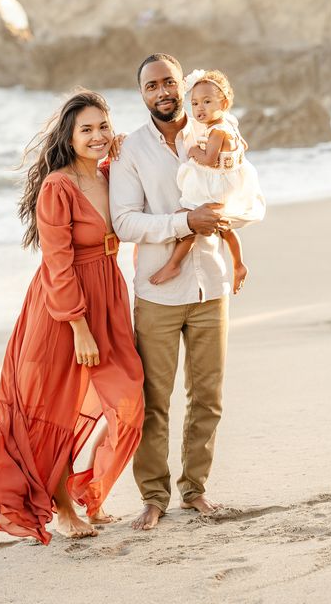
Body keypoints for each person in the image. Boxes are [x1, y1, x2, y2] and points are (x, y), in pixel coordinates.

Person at [0, 90, 145, 545]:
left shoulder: (112, 174)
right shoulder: (58, 186)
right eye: (86, 129)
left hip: (108, 290)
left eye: (103, 126)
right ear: (69, 136)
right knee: (58, 408)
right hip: (63, 308)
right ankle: (63, 505)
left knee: (128, 395)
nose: (97, 136)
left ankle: (87, 488)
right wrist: (79, 326)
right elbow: (57, 261)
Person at [109, 54, 265, 531]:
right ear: (142, 94)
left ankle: (195, 490)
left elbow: (250, 200)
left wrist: (217, 218)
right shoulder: (130, 150)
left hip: (212, 285)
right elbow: (125, 221)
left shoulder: (217, 131)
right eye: (151, 85)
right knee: (153, 401)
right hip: (157, 294)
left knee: (208, 397)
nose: (163, 91)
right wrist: (185, 222)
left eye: (169, 82)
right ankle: (153, 497)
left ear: (184, 84)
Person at [149, 68, 264, 293]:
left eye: (207, 101)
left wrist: (193, 151)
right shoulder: (229, 125)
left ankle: (173, 265)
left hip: (216, 187)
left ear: (223, 103)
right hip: (225, 184)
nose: (200, 108)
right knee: (224, 228)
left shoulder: (217, 132)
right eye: (195, 103)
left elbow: (210, 160)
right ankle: (239, 264)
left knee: (191, 221)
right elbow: (242, 147)